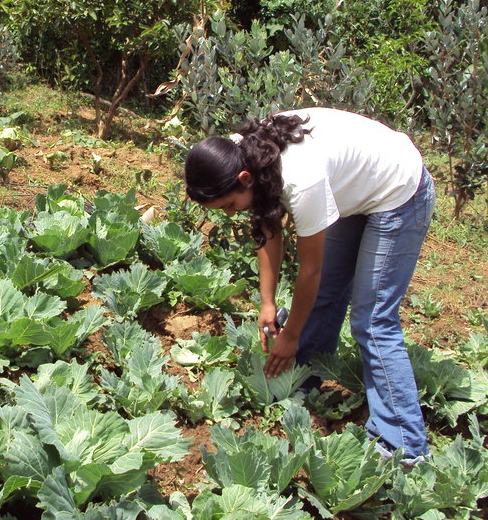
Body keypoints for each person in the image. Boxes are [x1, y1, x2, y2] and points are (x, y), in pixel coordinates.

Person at [184, 107, 435, 464]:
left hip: (398, 191)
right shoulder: (241, 151)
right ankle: (304, 380)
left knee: (373, 321)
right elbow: (267, 222)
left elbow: (310, 271)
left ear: (244, 178)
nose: (229, 213)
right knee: (326, 297)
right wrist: (267, 302)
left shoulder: (301, 180)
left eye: (228, 205)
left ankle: (404, 446)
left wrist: (290, 334)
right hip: (357, 188)